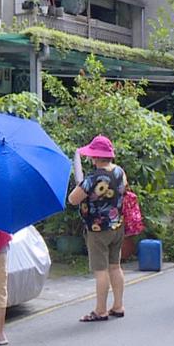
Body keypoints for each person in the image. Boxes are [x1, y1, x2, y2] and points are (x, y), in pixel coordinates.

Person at [67, 135, 128, 322]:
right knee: (115, 266)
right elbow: (123, 188)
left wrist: (81, 185)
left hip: (97, 230)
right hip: (117, 225)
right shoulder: (119, 172)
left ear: (95, 157)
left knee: (100, 270)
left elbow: (73, 199)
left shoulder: (92, 179)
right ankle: (118, 305)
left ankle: (100, 310)